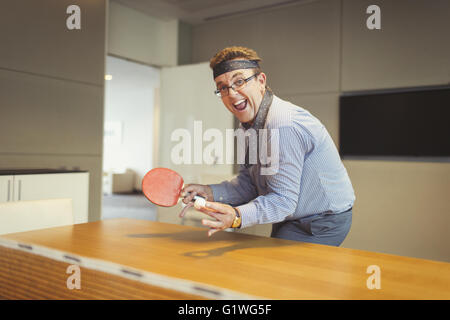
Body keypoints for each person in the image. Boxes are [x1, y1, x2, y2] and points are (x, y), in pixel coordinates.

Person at [181, 46, 355, 246]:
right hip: (291, 215)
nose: (231, 93)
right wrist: (208, 191)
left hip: (322, 221)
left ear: (261, 81)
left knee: (280, 275)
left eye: (239, 81)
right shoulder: (248, 125)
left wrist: (237, 215)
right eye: (222, 87)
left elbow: (282, 201)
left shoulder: (283, 125)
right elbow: (248, 184)